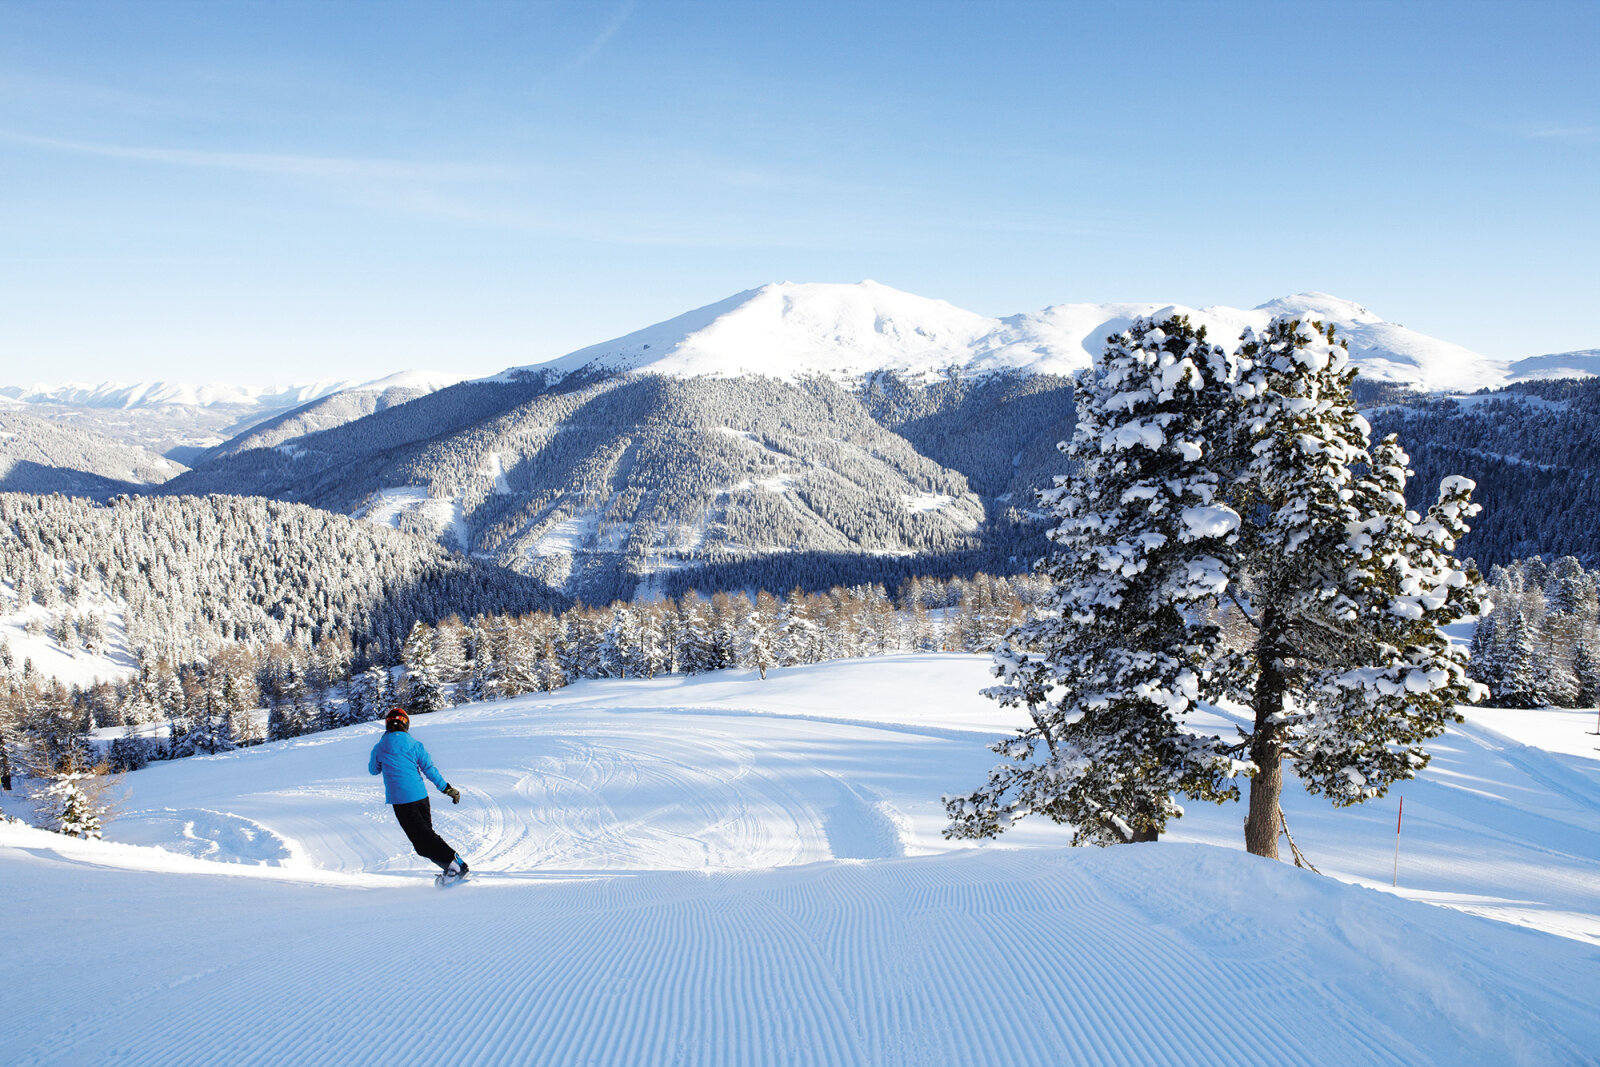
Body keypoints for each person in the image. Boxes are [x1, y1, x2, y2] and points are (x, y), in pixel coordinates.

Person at [368, 706, 468, 882]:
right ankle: (451, 868)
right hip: (421, 797)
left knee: (423, 842)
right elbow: (429, 769)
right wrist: (446, 788)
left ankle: (456, 865)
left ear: (387, 725)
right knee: (427, 837)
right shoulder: (415, 744)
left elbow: (373, 770)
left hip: (401, 801)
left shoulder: (380, 747)